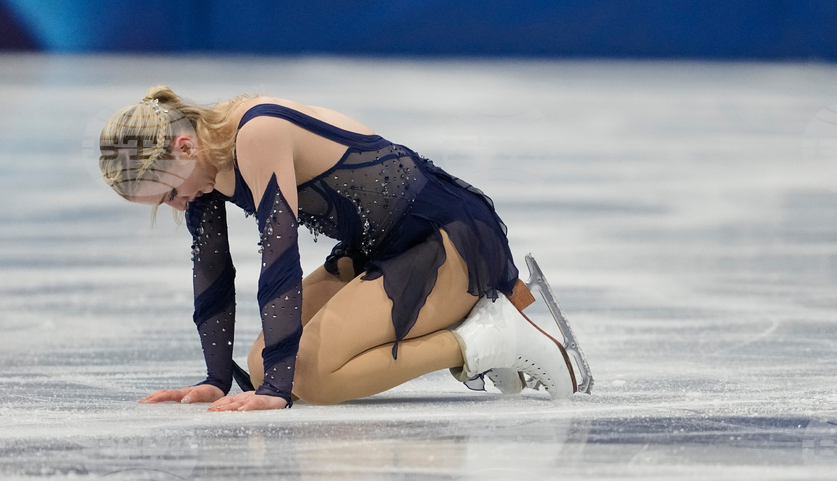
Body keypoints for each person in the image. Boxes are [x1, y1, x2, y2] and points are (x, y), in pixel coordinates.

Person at [98, 87, 583, 411]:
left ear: (184, 148)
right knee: (267, 363)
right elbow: (211, 272)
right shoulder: (201, 177)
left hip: (442, 238)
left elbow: (279, 257)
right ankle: (475, 328)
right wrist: (215, 378)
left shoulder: (255, 132)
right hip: (376, 250)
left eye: (168, 194)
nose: (178, 207)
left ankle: (487, 340)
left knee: (310, 379)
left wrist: (276, 394)